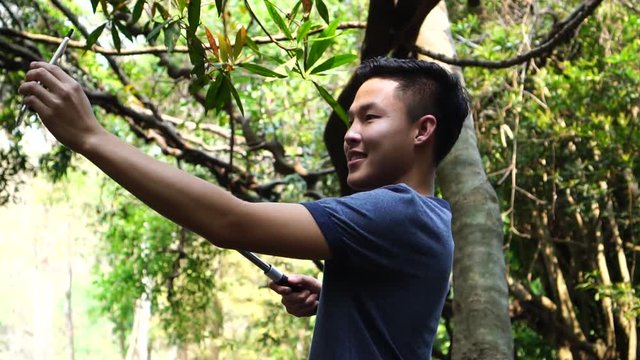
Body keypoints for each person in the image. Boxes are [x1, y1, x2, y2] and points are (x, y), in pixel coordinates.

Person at [19, 56, 468, 359]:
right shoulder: (428, 219)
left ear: (422, 131)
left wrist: (90, 137)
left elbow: (231, 221)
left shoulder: (398, 213)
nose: (350, 133)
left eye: (369, 117)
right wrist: (334, 296)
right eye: (351, 119)